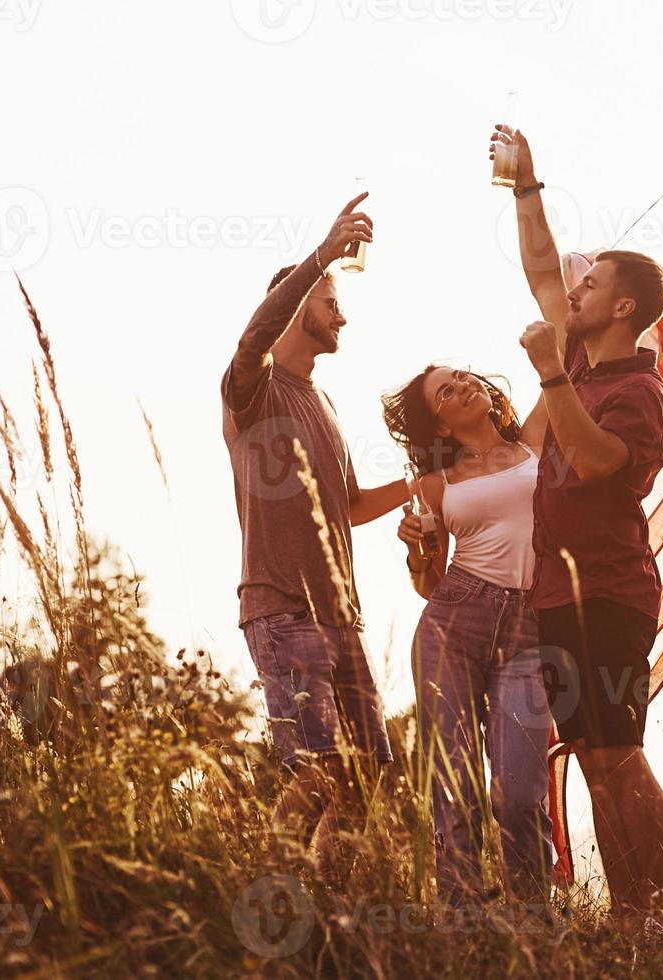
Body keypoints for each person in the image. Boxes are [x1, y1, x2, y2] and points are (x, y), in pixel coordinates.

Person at [490, 126, 663, 915]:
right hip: (558, 597)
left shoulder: (639, 388)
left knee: (621, 754)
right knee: (595, 761)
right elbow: (542, 262)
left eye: (591, 284)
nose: (575, 291)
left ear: (622, 306)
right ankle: (632, 913)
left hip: (609, 593)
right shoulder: (578, 355)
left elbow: (598, 461)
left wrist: (545, 375)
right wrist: (526, 187)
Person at [221, 191, 407, 862]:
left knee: (364, 779)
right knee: (319, 767)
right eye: (332, 303)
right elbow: (252, 338)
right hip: (283, 611)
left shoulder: (325, 402)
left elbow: (352, 506)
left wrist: (425, 480)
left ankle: (332, 915)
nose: (344, 317)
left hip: (342, 618)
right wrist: (322, 254)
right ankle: (259, 885)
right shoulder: (252, 386)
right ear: (299, 305)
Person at [384, 363, 554, 903]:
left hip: (530, 629)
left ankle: (532, 928)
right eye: (447, 391)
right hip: (453, 625)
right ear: (439, 426)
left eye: (463, 376)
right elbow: (430, 584)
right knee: (455, 792)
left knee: (521, 793)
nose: (464, 385)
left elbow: (563, 363)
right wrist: (415, 547)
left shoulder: (532, 442)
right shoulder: (436, 484)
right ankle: (463, 933)